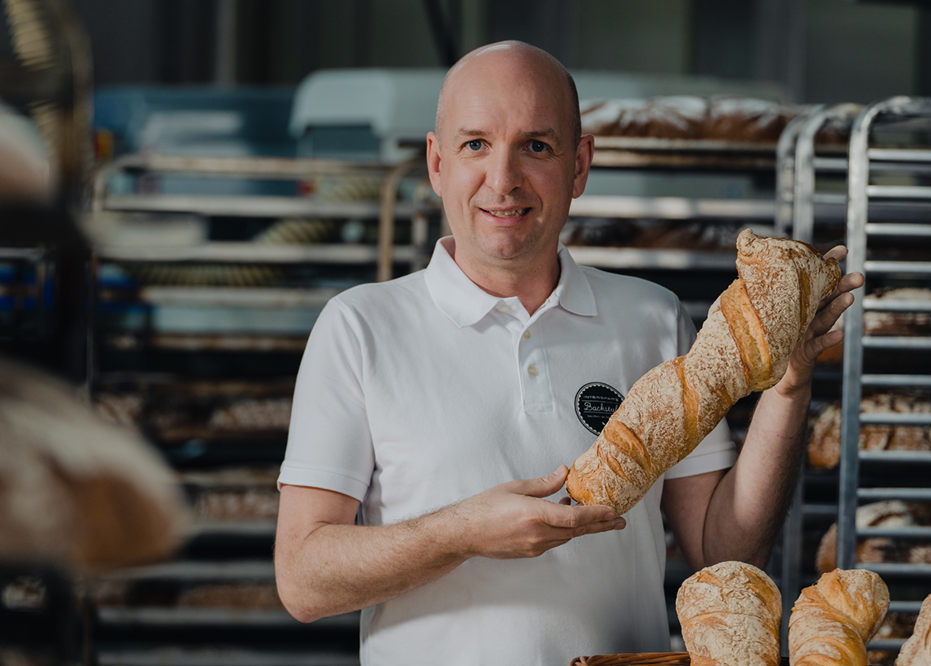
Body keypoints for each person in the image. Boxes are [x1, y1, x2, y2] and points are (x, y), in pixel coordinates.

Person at [274, 41, 864, 665]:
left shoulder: (652, 318)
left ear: (580, 164)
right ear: (436, 162)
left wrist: (789, 387)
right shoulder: (360, 327)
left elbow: (726, 557)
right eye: (476, 144)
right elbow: (303, 580)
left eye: (535, 145)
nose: (502, 180)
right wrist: (463, 532)